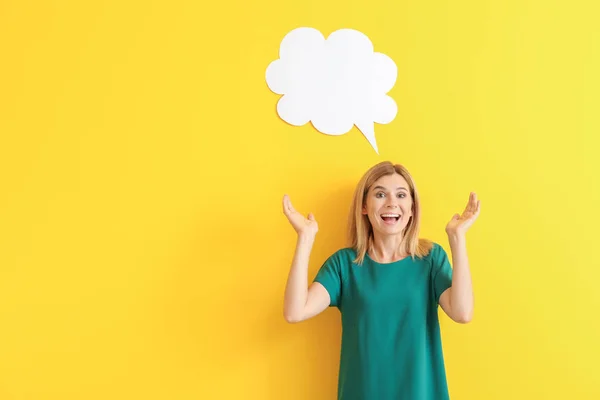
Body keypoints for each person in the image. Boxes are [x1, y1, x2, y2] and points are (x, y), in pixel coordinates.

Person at [282, 161, 480, 400]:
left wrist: (457, 238)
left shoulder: (431, 259)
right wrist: (305, 238)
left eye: (401, 195)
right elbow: (295, 312)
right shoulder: (345, 265)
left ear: (412, 208)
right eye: (380, 194)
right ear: (364, 206)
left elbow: (462, 313)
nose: (391, 203)